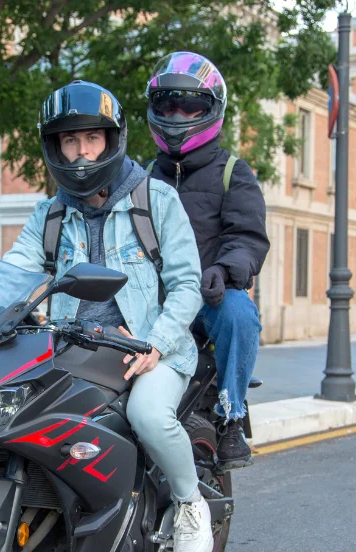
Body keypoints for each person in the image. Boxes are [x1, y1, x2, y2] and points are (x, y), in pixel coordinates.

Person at [3, 80, 213, 552]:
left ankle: (189, 502)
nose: (80, 153)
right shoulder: (49, 213)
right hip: (73, 349)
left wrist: (156, 344)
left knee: (148, 415)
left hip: (149, 347)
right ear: (54, 146)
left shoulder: (155, 200)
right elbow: (16, 271)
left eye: (91, 139)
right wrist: (0, 302)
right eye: (69, 141)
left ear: (111, 139)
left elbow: (186, 286)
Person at [145, 51, 268, 469]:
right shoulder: (142, 178)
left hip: (209, 295)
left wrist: (223, 270)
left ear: (211, 108)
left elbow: (248, 238)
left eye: (190, 105)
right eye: (168, 105)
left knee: (240, 314)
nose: (178, 114)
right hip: (158, 301)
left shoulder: (235, 172)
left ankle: (231, 417)